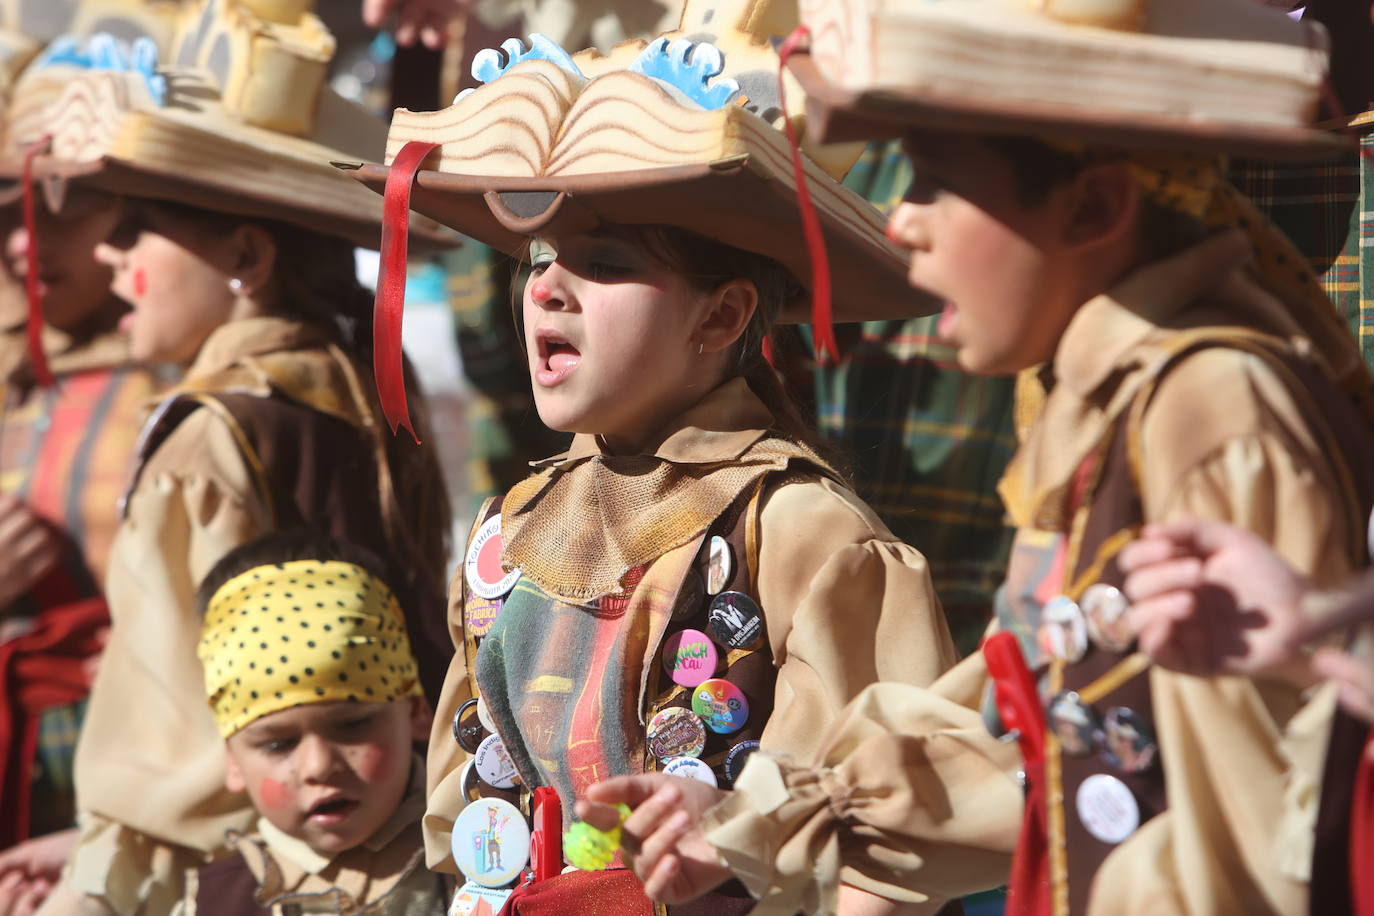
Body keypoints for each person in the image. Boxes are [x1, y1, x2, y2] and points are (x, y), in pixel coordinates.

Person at [579, 2, 1374, 914]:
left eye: (934, 182)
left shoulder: (1207, 405)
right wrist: (749, 815)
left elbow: (1267, 813)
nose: (903, 223)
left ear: (1095, 207)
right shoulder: (1120, 402)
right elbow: (1040, 714)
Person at [358, 4, 957, 913]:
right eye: (541, 255)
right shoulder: (510, 530)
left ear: (720, 317)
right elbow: (466, 818)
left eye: (601, 261)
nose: (547, 287)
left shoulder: (799, 527)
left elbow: (878, 831)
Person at [12, 11, 453, 915]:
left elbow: (193, 725)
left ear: (247, 257)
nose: (107, 254)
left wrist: (108, 855)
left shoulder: (204, 437)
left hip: (245, 867)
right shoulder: (356, 384)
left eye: (136, 233)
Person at [169, 531, 446, 915]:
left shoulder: (483, 858)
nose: (318, 766)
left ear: (416, 711)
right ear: (232, 759)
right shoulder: (210, 904)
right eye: (277, 744)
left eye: (352, 726)